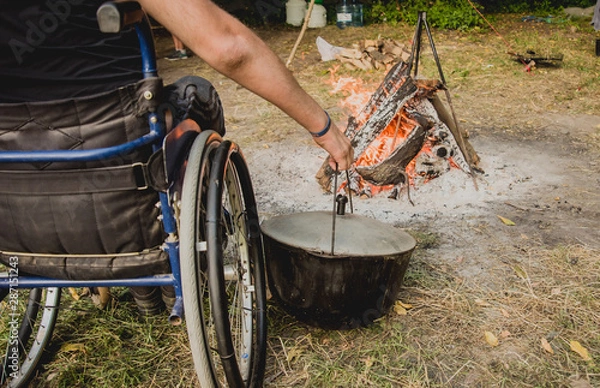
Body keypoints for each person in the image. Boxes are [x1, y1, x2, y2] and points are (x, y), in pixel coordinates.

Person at [0, 0, 353, 171]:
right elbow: (229, 49)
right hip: (115, 152)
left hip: (16, 176)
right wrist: (322, 126)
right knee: (198, 95)